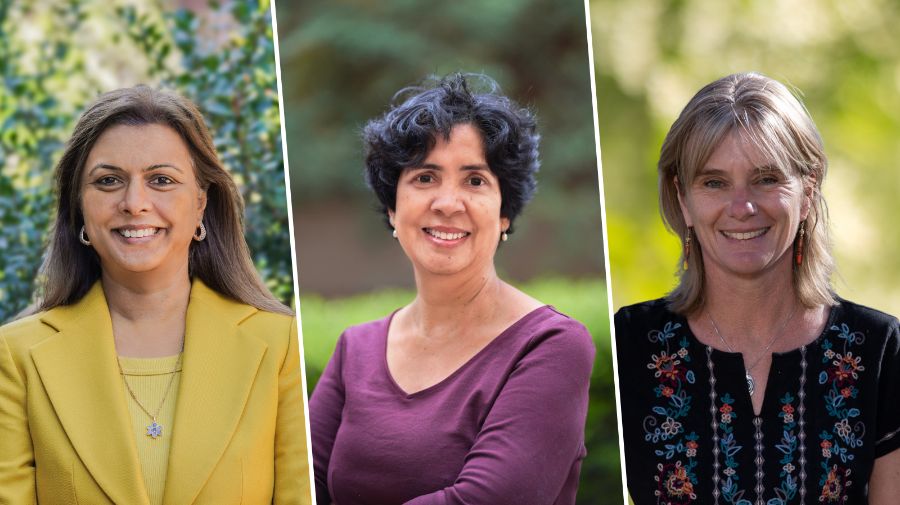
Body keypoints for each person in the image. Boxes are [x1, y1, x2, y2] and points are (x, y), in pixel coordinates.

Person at [0, 86, 311, 505]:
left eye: (161, 180)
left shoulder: (280, 345)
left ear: (201, 202)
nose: (134, 203)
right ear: (79, 206)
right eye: (108, 181)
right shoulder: (17, 356)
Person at [308, 74, 595, 505]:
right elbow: (298, 483)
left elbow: (489, 499)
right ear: (392, 207)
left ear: (504, 213)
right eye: (425, 177)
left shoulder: (551, 344)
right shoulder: (357, 348)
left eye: (475, 181)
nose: (447, 203)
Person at [615, 72, 900, 505]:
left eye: (766, 179)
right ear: (682, 198)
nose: (742, 208)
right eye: (714, 182)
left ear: (808, 190)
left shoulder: (877, 350)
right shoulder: (628, 346)